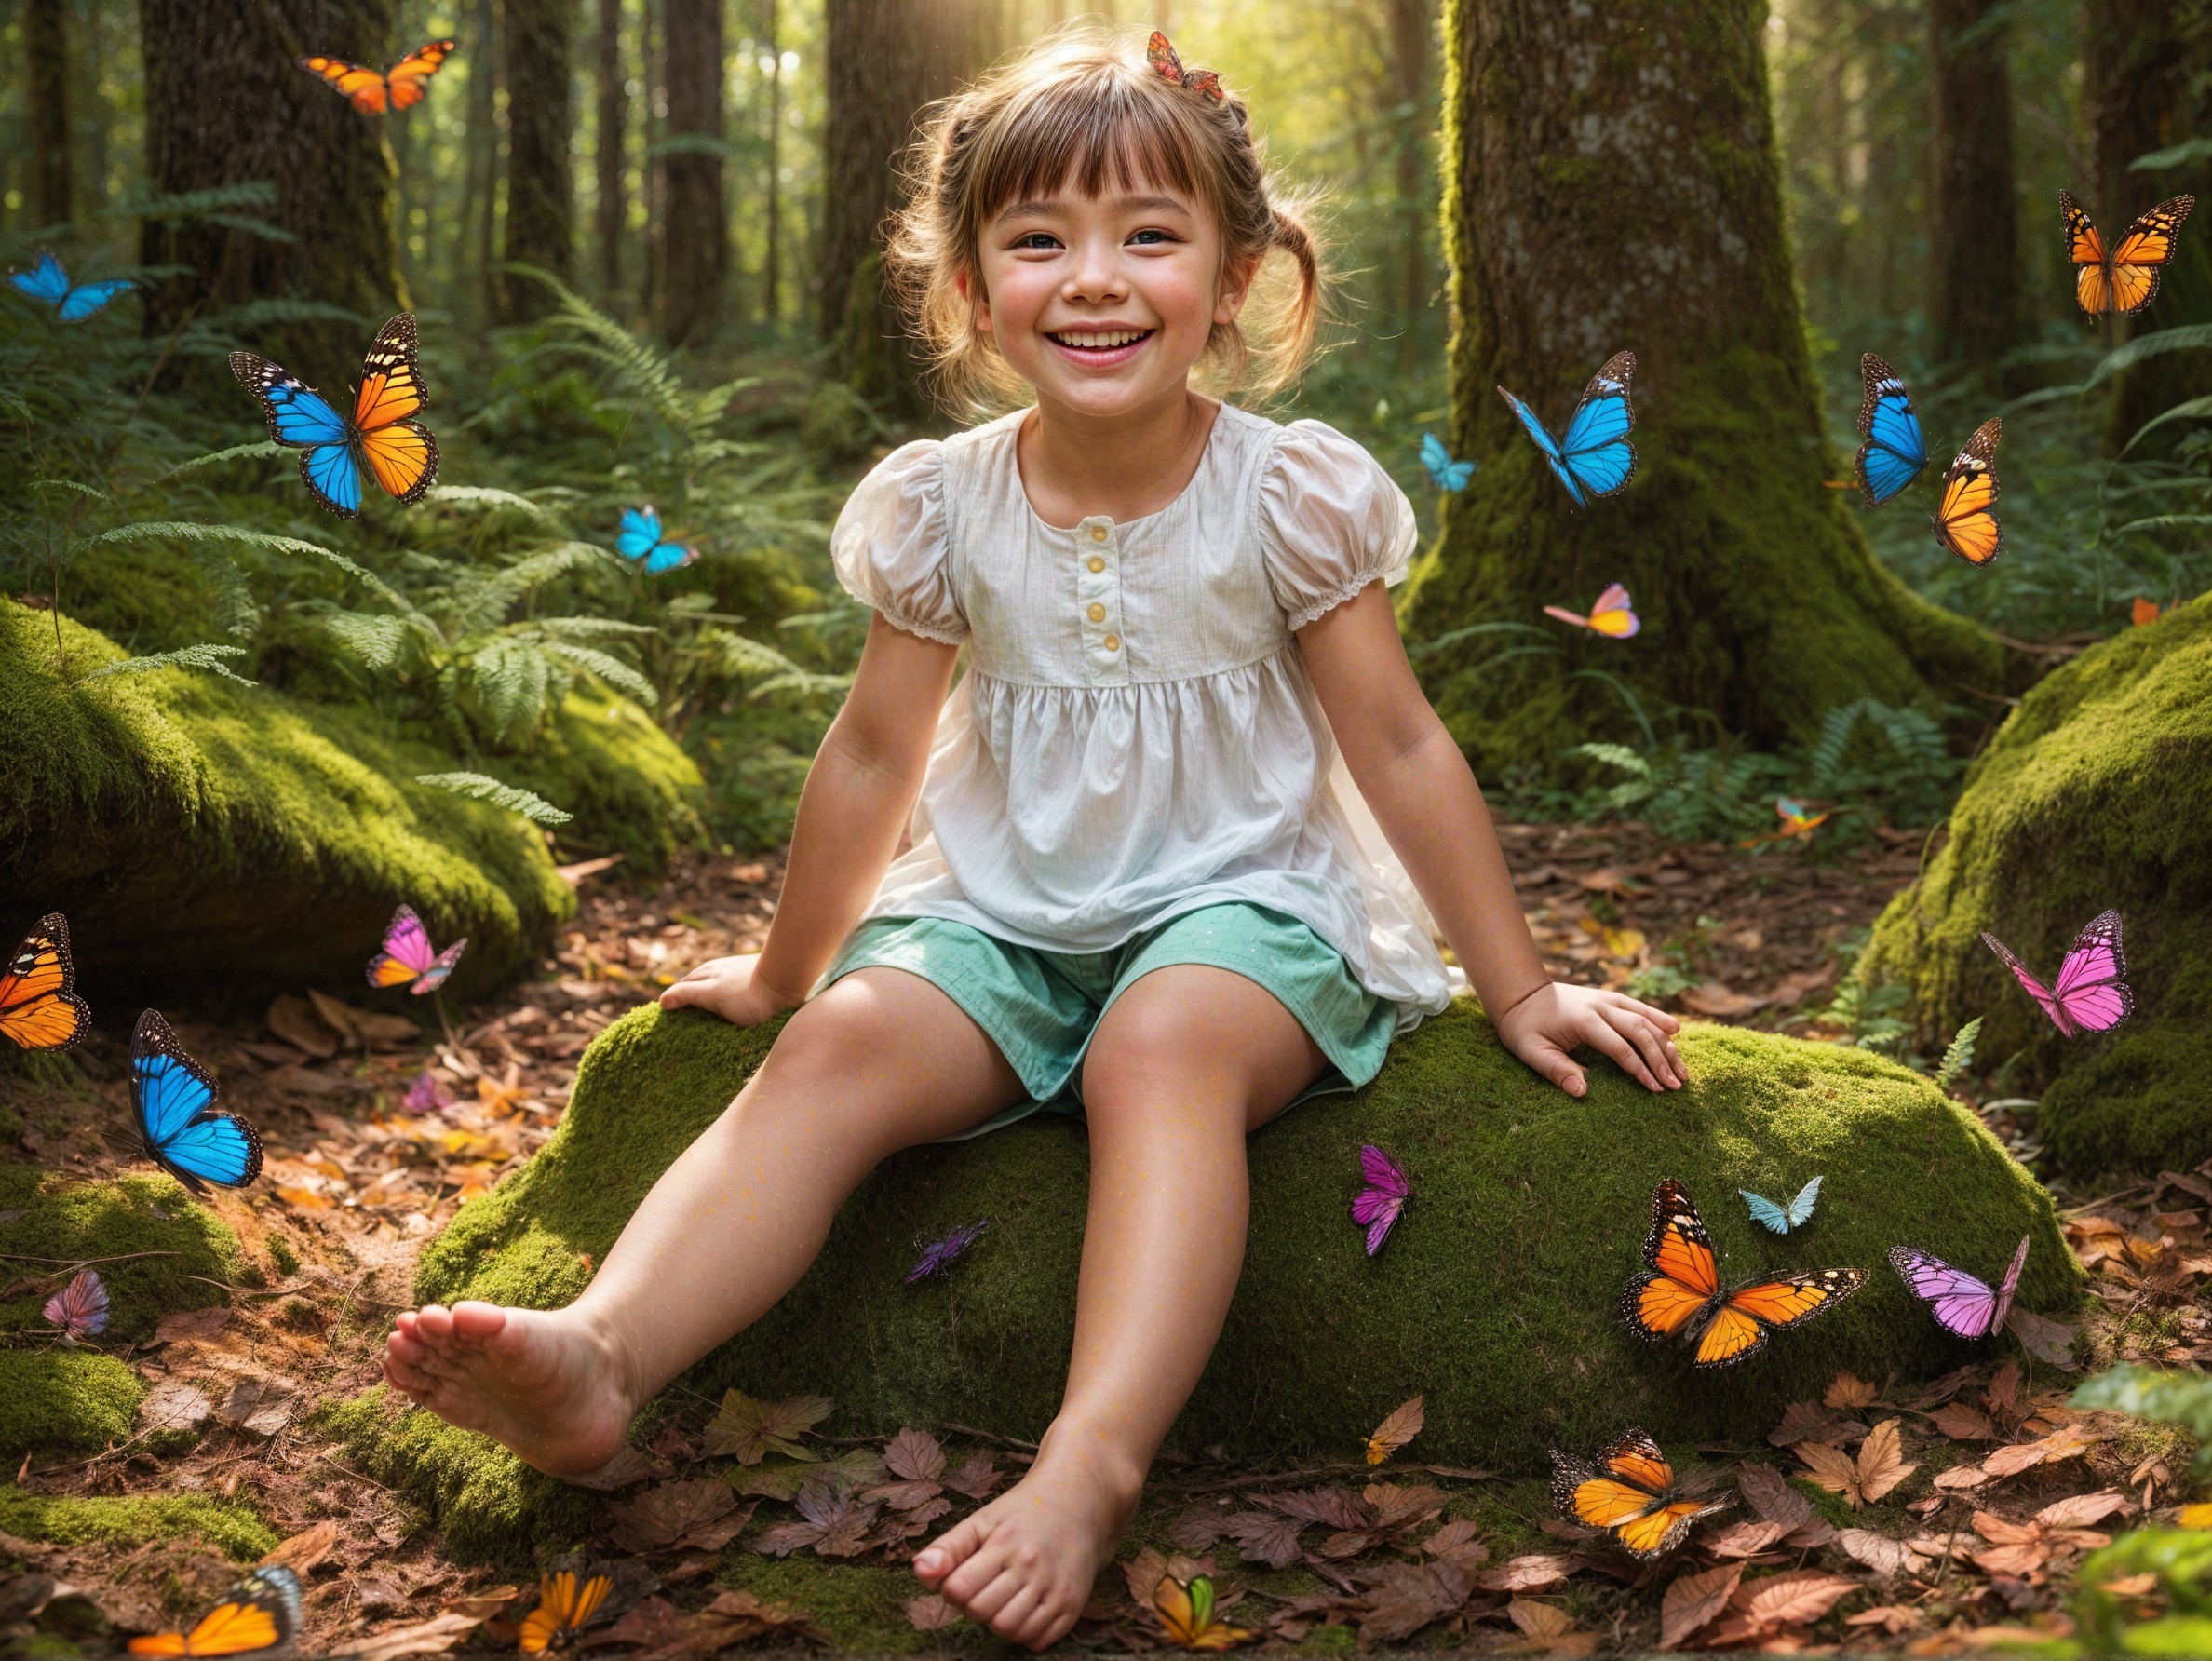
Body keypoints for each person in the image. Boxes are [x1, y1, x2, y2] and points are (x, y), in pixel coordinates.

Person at [382, 26, 1685, 1652]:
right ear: (967, 284)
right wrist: (790, 970)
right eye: (1038, 239)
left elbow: (1401, 741)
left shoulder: (1285, 494)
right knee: (842, 1047)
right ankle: (604, 1357)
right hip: (1004, 908)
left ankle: (1088, 1464)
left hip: (1246, 898)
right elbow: (872, 753)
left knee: (1165, 1047)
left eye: (1149, 235)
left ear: (1235, 276)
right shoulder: (947, 503)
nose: (1096, 279)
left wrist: (1517, 990)